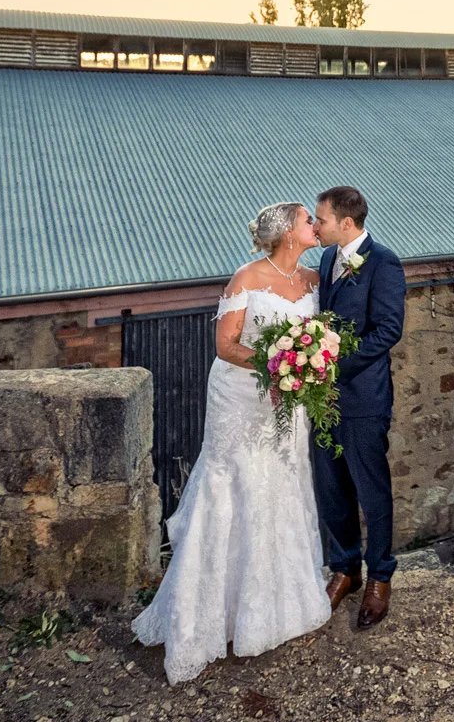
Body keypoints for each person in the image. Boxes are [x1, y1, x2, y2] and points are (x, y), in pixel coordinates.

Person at [132, 202, 333, 683]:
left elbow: (316, 337)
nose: (314, 226)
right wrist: (278, 362)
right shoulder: (245, 278)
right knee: (235, 486)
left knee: (284, 485)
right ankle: (209, 615)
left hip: (289, 400)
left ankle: (278, 606)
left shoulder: (312, 281)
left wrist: (305, 366)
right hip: (241, 398)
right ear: (288, 233)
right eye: (308, 220)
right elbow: (227, 345)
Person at [311, 185, 406, 630]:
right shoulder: (328, 260)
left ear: (346, 223)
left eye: (321, 220)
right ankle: (345, 569)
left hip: (363, 397)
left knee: (372, 491)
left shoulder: (384, 262)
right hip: (322, 399)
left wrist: (334, 364)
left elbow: (388, 331)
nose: (315, 227)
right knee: (331, 489)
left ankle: (379, 577)